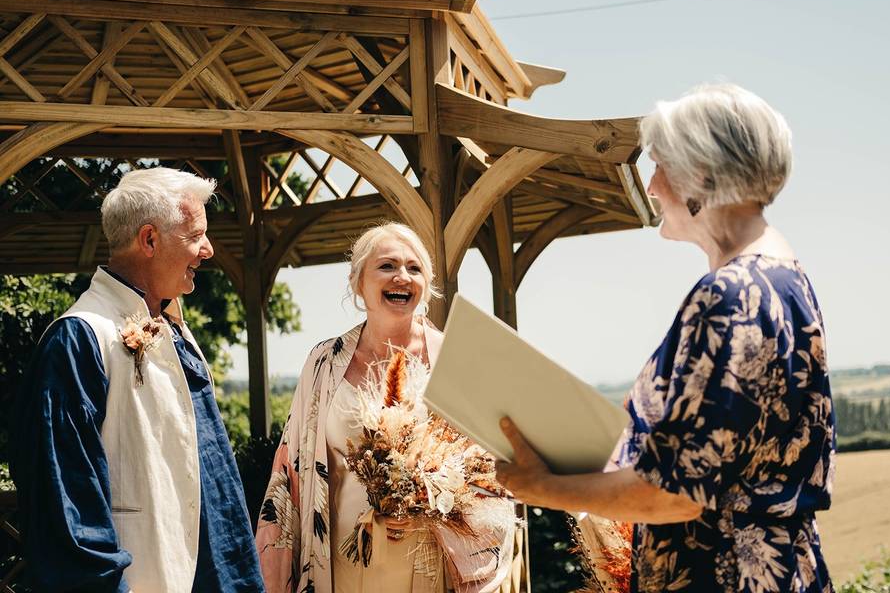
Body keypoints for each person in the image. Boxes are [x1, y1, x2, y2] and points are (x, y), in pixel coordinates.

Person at [495, 84, 835, 592]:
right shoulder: (782, 279)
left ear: (701, 172)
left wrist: (542, 488)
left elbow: (675, 493)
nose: (651, 185)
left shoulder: (730, 295)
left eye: (659, 165)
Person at [11, 167, 265, 592]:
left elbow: (212, 482)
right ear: (149, 240)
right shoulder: (77, 340)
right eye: (196, 235)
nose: (208, 250)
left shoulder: (177, 331)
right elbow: (66, 504)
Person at [256, 222, 514, 593]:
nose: (402, 277)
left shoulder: (457, 361)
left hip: (430, 563)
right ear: (358, 281)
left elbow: (490, 472)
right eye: (387, 266)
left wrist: (423, 508)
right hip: (339, 560)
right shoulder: (323, 361)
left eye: (414, 268)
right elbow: (290, 468)